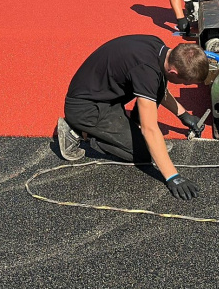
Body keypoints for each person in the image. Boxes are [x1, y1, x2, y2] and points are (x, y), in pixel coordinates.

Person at [57, 35, 209, 200]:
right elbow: (149, 129)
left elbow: (157, 86)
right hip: (86, 109)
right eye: (185, 83)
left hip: (104, 97)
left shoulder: (159, 48)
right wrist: (173, 176)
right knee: (146, 154)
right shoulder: (146, 71)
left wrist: (183, 115)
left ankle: (123, 128)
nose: (184, 86)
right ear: (174, 71)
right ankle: (78, 132)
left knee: (158, 86)